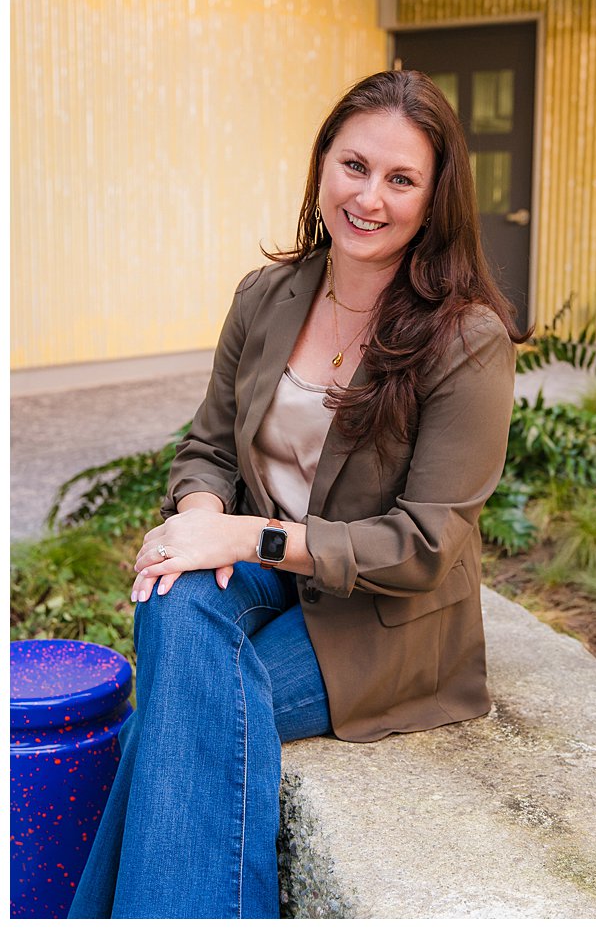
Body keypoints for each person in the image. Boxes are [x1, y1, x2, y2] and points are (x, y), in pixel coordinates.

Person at [69, 70, 523, 918]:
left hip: (383, 619)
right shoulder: (267, 296)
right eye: (354, 166)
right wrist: (200, 516)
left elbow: (426, 548)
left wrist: (245, 539)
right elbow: (206, 446)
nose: (370, 198)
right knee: (175, 602)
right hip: (268, 574)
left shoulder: (467, 337)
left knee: (171, 727)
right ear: (322, 166)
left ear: (436, 199)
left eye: (401, 180)